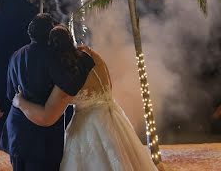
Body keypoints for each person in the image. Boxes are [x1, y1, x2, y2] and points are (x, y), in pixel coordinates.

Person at [13, 25, 157, 171]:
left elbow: (47, 116)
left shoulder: (70, 74)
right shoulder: (92, 56)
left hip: (89, 125)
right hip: (114, 117)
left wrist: (20, 102)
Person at [0, 14, 94, 171]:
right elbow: (70, 85)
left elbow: (11, 94)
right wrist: (85, 60)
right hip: (42, 140)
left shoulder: (16, 55)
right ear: (49, 32)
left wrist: (21, 101)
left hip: (16, 131)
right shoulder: (52, 55)